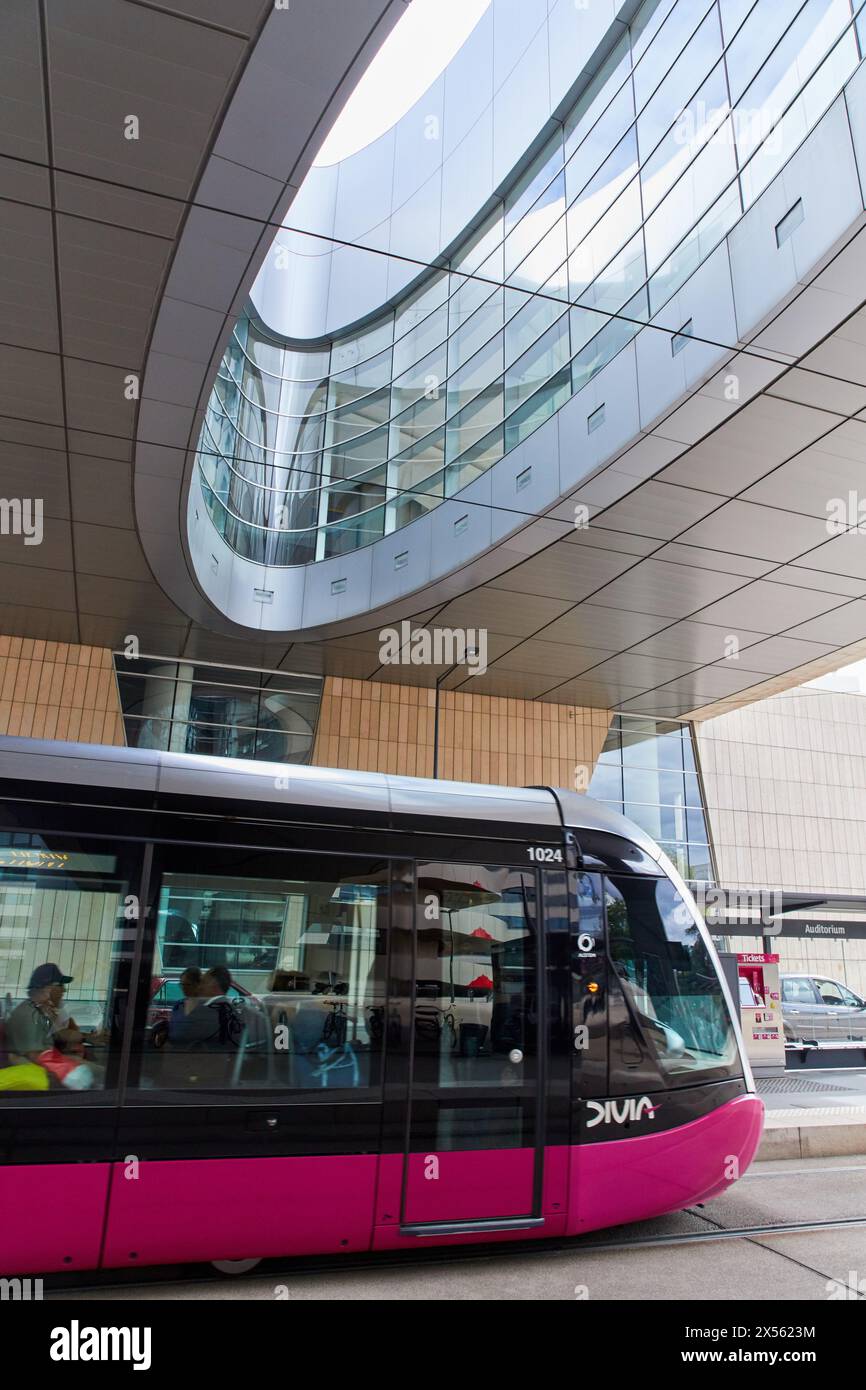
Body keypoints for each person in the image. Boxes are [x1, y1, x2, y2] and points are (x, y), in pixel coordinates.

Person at [6, 963, 79, 1064]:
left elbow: (56, 1037)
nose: (64, 990)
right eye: (60, 986)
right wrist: (69, 1065)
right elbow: (35, 1057)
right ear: (47, 989)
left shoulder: (38, 1011)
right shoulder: (29, 1015)